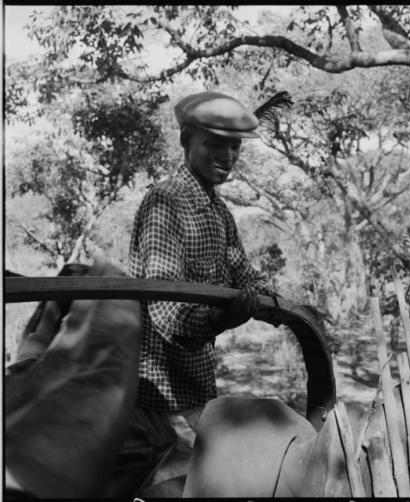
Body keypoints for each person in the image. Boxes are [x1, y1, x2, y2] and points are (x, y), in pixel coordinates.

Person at [106, 92, 276, 497]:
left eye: (235, 146)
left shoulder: (219, 213)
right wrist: (223, 317)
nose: (229, 155)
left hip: (198, 388)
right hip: (157, 399)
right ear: (186, 141)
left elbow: (242, 273)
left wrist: (273, 301)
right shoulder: (166, 203)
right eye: (215, 144)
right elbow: (166, 313)